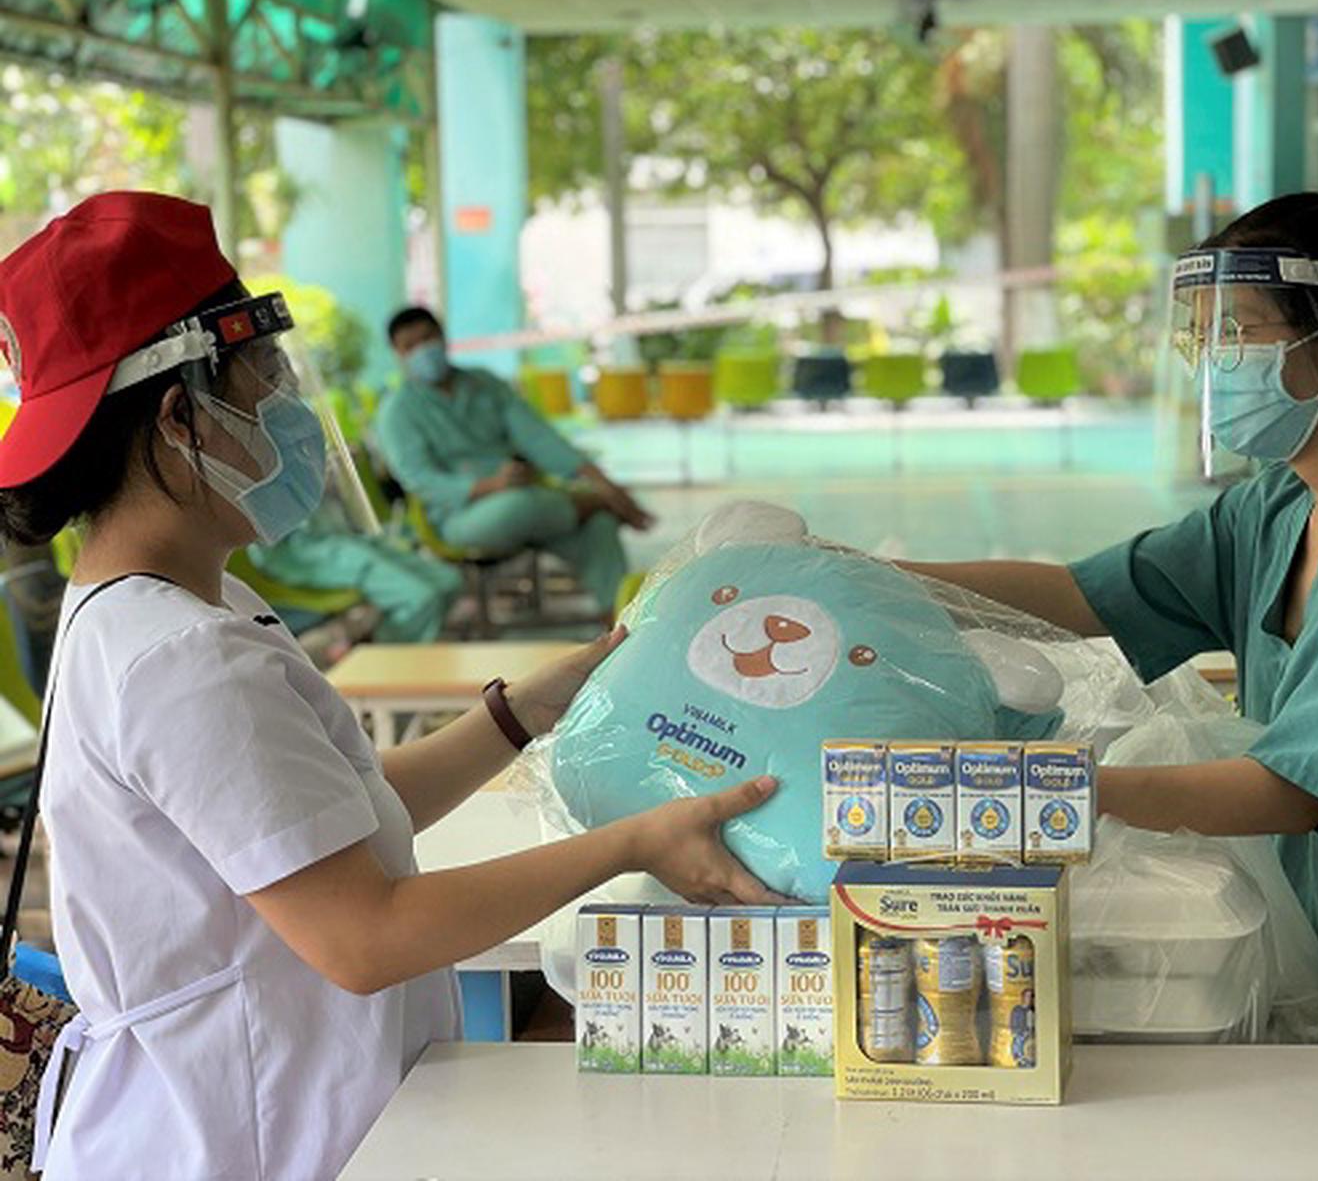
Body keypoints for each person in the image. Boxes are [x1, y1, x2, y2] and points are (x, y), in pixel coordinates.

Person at [0, 192, 779, 1179]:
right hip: (237, 1142)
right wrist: (632, 843)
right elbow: (362, 936)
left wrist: (520, 713)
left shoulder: (169, 605)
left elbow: (327, 816)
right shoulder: (180, 658)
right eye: (263, 380)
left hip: (271, 1111)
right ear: (180, 416)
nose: (288, 411)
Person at [909, 193, 1318, 1148]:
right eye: (1203, 338)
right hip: (1316, 943)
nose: (1215, 363)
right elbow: (1084, 595)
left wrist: (1054, 793)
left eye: (1239, 335)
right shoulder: (1280, 502)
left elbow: (1294, 789)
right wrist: (871, 577)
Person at [378, 307, 651, 617]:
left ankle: (617, 622)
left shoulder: (485, 384)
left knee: (598, 527)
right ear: (397, 354)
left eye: (427, 338)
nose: (423, 351)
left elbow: (538, 436)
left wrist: (598, 478)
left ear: (442, 335)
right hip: (460, 516)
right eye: (410, 346)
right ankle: (598, 502)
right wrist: (490, 486)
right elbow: (421, 480)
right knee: (518, 506)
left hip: (530, 502)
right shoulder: (397, 412)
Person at [247, 521, 465, 642]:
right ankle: (386, 667)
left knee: (449, 581)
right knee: (421, 599)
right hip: (299, 551)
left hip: (341, 534)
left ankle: (401, 646)